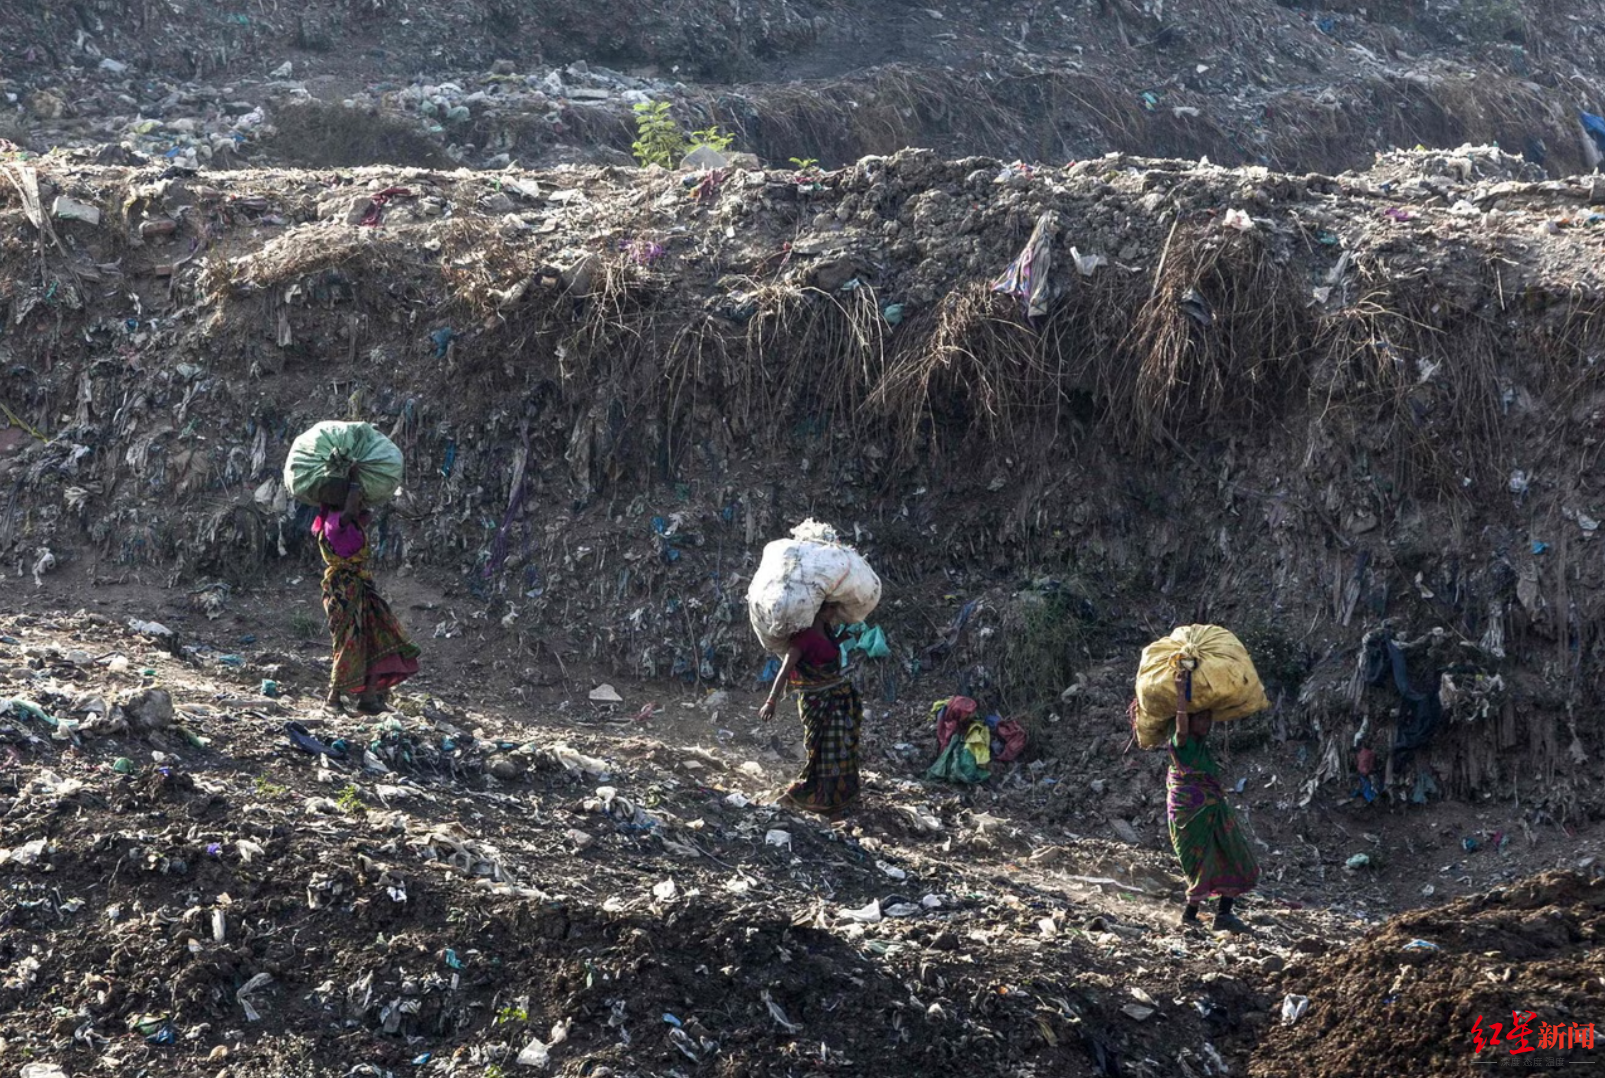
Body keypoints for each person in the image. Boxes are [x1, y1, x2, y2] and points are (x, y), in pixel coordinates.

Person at [313, 478, 420, 714]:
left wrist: (353, 476)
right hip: (343, 590)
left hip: (360, 586)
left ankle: (369, 698)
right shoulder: (334, 522)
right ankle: (333, 699)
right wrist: (353, 485)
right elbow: (351, 511)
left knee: (378, 636)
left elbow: (365, 513)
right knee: (349, 641)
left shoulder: (349, 522)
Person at [1168, 667, 1258, 933]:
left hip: (1215, 811)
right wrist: (1181, 694)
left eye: (1209, 719)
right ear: (1190, 720)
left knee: (1231, 853)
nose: (1206, 724)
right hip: (1190, 816)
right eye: (1202, 719)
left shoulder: (1202, 744)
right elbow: (1181, 727)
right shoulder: (1182, 743)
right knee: (1201, 862)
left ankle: (1224, 914)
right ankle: (1189, 914)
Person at [758, 602, 862, 815]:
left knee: (841, 744)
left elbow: (828, 655)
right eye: (830, 610)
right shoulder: (802, 639)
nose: (833, 614)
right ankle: (816, 795)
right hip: (817, 701)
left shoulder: (828, 632)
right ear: (818, 612)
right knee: (822, 748)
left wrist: (840, 641)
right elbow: (785, 670)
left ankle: (840, 795)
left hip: (837, 698)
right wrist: (771, 700)